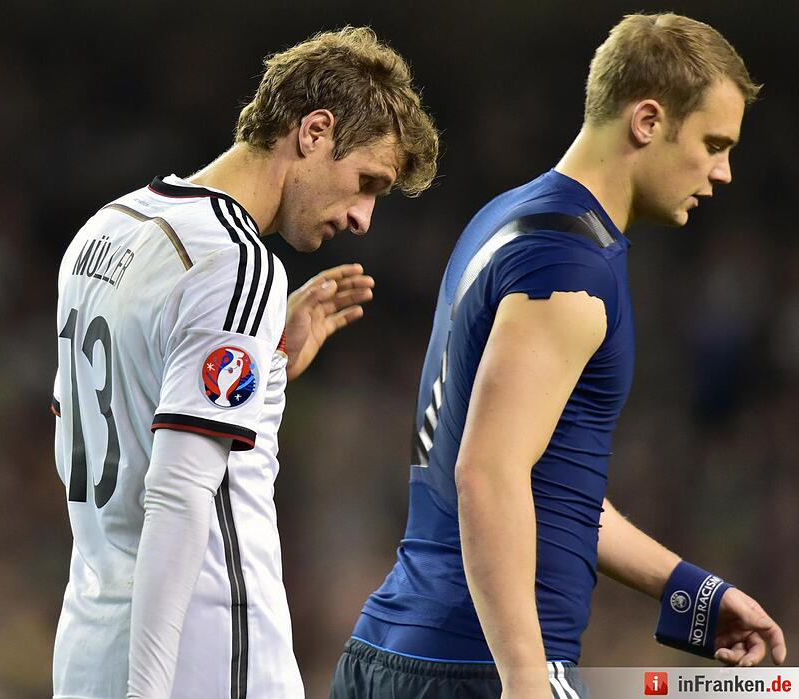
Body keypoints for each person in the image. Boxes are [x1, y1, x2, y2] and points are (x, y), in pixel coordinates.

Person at [331, 13, 786, 699]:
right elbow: (486, 473)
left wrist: (690, 590)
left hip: (401, 647)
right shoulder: (570, 267)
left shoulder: (509, 219)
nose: (723, 172)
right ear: (647, 120)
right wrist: (524, 677)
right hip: (479, 666)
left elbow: (543, 483)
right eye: (714, 143)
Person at [49, 27, 439, 699]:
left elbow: (99, 426)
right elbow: (176, 495)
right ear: (315, 131)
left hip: (89, 640)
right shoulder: (237, 263)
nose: (364, 218)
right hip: (200, 659)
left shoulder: (104, 230)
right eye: (366, 182)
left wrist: (269, 370)